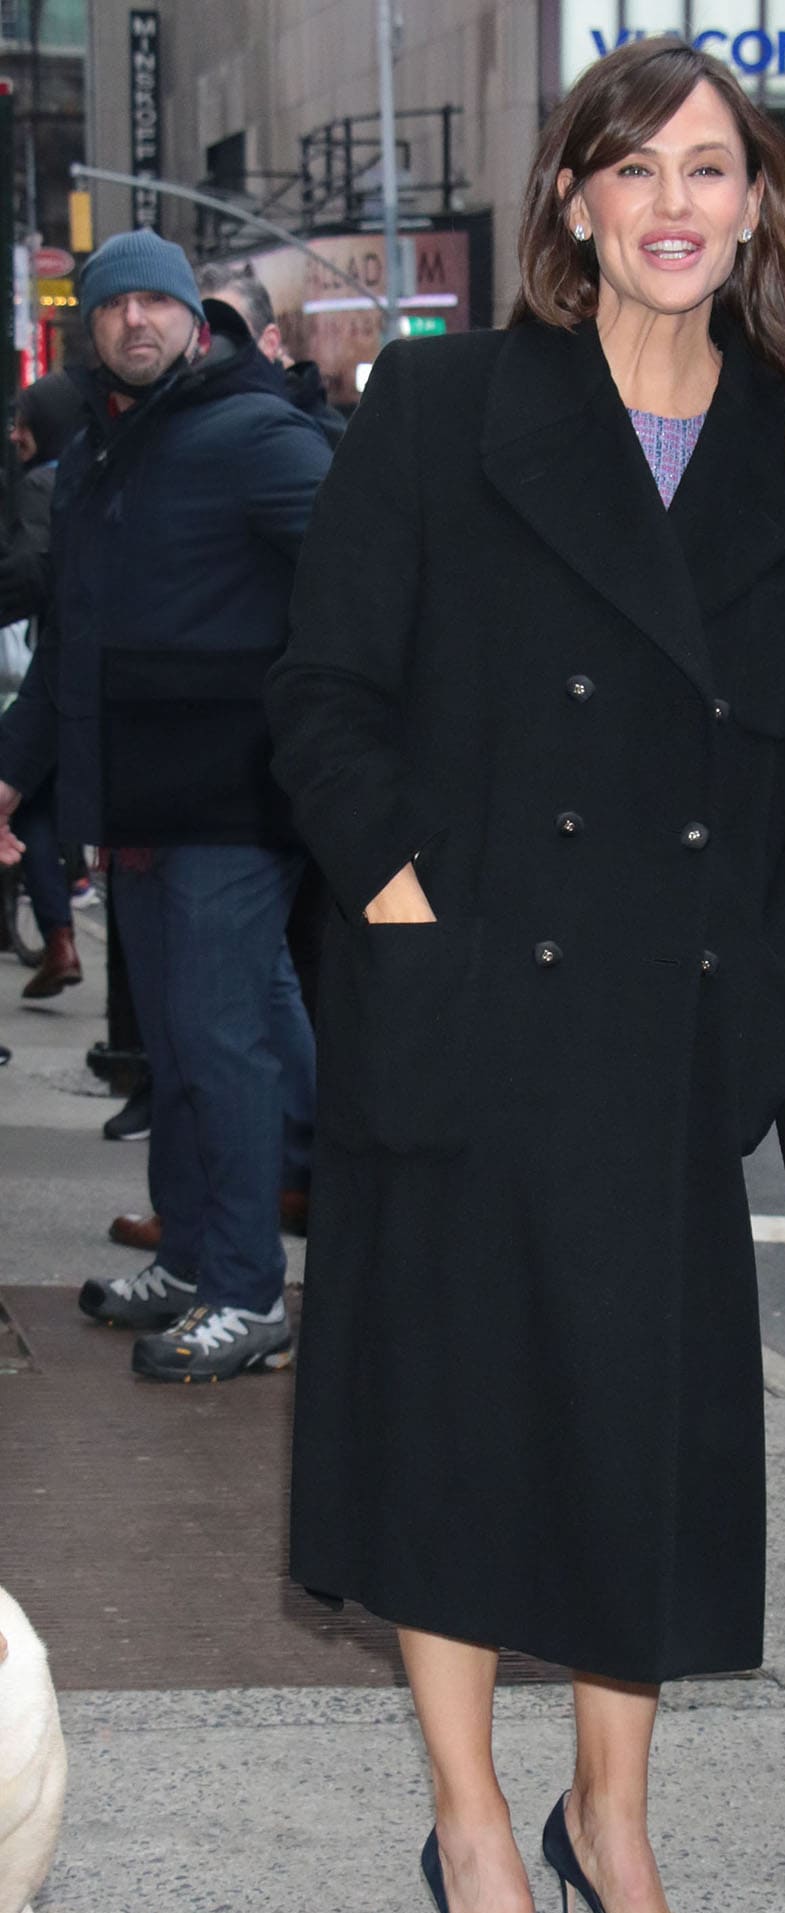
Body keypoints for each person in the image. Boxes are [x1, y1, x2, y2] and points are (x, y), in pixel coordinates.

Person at [266, 36, 785, 1913]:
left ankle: (608, 1823)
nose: (676, 203)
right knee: (459, 1439)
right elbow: (325, 699)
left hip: (663, 1035)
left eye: (712, 167)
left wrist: (775, 964)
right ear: (573, 206)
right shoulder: (445, 407)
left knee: (634, 1451)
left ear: (756, 202)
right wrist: (406, 906)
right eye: (635, 169)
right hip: (466, 1017)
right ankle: (467, 1818)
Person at [0, 229, 331, 1383]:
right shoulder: (102, 449)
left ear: (197, 317)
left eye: (157, 301)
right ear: (86, 326)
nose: (135, 319)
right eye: (112, 303)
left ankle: (247, 1292)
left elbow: (367, 578)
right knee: (179, 1049)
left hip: (231, 800)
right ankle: (193, 1260)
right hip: (136, 800)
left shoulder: (254, 435)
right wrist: (12, 767)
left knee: (221, 1046)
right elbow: (69, 645)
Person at [0, 372, 87, 1003]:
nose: (16, 435)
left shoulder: (41, 485)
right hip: (68, 680)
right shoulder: (88, 472)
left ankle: (59, 935)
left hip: (45, 678)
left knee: (26, 804)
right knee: (43, 810)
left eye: (25, 423)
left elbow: (31, 570)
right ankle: (60, 931)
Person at [196, 258, 346, 445]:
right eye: (201, 333)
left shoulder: (321, 435)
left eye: (230, 330)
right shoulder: (178, 420)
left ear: (270, 342)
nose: (212, 345)